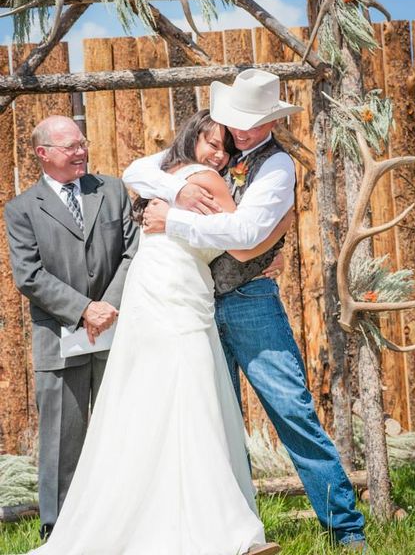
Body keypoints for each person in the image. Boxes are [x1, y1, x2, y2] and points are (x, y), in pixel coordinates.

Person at [124, 68, 367, 551]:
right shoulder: (217, 148)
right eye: (237, 121)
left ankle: (345, 528)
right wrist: (178, 192)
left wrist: (173, 219)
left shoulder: (276, 166)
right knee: (216, 421)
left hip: (248, 299)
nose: (242, 132)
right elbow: (136, 170)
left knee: (291, 411)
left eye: (254, 123)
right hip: (192, 305)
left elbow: (244, 237)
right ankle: (233, 530)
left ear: (272, 122)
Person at [26, 109, 288, 555]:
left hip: (159, 290)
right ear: (191, 138)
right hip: (175, 293)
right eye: (211, 143)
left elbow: (143, 173)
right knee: (192, 395)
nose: (218, 156)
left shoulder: (162, 175)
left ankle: (154, 515)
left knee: (152, 398)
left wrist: (176, 207)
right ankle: (218, 530)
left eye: (225, 149)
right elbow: (243, 240)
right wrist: (275, 240)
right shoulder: (204, 179)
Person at [4, 115, 139, 541]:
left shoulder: (112, 190)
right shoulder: (21, 209)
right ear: (44, 154)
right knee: (62, 442)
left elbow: (135, 251)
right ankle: (58, 533)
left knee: (128, 431)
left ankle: (130, 522)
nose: (81, 151)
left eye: (83, 143)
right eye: (70, 146)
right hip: (59, 340)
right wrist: (83, 310)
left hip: (119, 333)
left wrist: (108, 306)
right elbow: (29, 275)